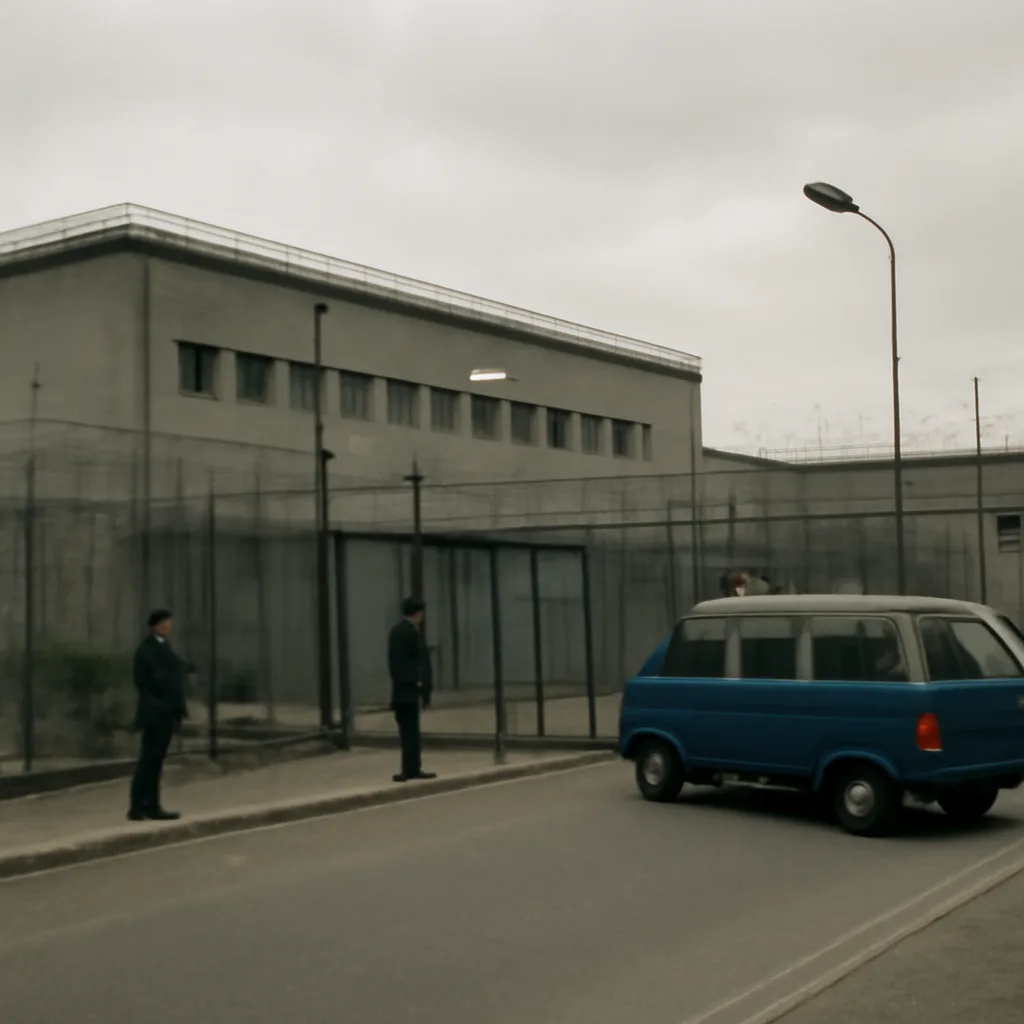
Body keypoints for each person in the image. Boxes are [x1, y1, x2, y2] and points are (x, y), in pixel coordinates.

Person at [127, 609, 188, 821]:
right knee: (149, 760)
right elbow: (146, 683)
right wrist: (161, 705)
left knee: (156, 761)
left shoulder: (163, 646)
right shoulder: (147, 650)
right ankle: (137, 806)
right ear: (156, 625)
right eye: (165, 622)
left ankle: (151, 805)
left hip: (166, 713)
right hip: (156, 714)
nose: (168, 626)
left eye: (169, 622)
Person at [388, 597, 436, 783]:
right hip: (409, 689)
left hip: (400, 689)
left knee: (408, 731)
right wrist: (421, 686)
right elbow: (419, 662)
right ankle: (410, 769)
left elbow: (394, 663)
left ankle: (411, 767)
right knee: (410, 732)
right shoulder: (410, 633)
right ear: (417, 613)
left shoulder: (396, 631)